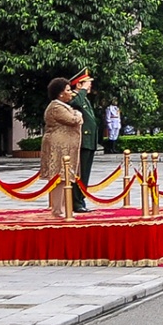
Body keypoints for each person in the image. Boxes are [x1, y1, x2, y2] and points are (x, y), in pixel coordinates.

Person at [40, 78, 84, 221]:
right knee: (60, 177)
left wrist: (77, 114)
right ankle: (57, 209)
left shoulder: (63, 106)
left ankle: (64, 207)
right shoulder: (56, 107)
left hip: (66, 148)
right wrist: (78, 114)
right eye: (68, 90)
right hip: (58, 148)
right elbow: (73, 120)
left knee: (66, 178)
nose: (71, 93)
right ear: (60, 94)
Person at [68, 70, 100, 214]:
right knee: (80, 173)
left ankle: (80, 200)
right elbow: (75, 104)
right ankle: (76, 202)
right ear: (79, 84)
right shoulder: (75, 96)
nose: (90, 85)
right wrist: (81, 90)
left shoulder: (84, 97)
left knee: (85, 174)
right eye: (88, 83)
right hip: (81, 140)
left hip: (89, 141)